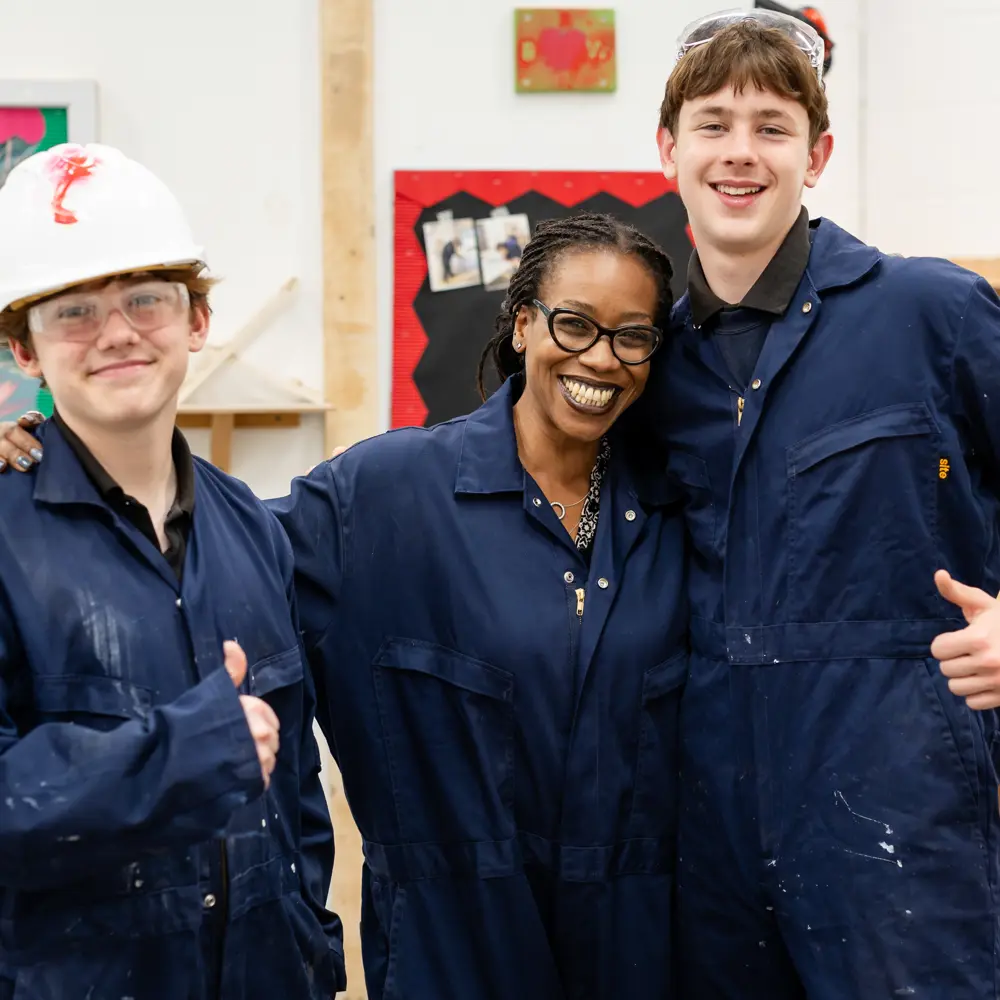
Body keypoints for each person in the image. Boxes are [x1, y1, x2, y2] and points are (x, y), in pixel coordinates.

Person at [0, 212, 687, 999]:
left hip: (639, 957)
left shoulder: (679, 510)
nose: (601, 356)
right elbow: (193, 549)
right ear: (524, 324)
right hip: (451, 961)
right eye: (574, 324)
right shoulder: (388, 497)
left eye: (633, 336)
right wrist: (55, 459)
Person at [634, 9, 1000, 998]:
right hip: (708, 829)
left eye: (770, 125)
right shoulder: (650, 367)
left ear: (817, 152)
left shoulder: (927, 313)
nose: (739, 153)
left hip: (902, 821)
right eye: (712, 124)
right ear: (667, 149)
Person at [0, 143, 344, 999]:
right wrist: (183, 756)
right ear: (25, 351)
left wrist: (314, 951)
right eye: (72, 311)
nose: (116, 332)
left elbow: (295, 791)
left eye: (145, 300)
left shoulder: (253, 531)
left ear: (195, 320)